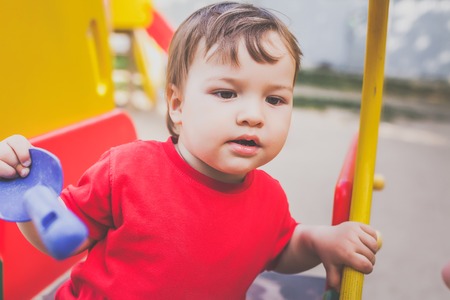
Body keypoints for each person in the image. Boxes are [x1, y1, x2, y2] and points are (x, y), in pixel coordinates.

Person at [0, 2, 380, 298]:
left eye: (275, 100)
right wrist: (26, 193)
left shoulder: (269, 198)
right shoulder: (129, 168)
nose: (253, 115)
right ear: (177, 105)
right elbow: (62, 238)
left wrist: (317, 240)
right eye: (226, 93)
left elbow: (280, 250)